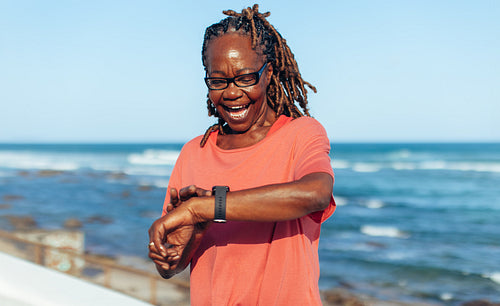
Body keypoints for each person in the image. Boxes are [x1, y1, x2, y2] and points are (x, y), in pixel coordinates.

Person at [148, 4, 336, 305]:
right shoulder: (193, 152)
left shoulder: (301, 134)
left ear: (268, 73)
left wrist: (204, 208)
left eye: (245, 78)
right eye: (218, 81)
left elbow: (315, 194)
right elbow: (170, 267)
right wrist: (182, 244)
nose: (232, 93)